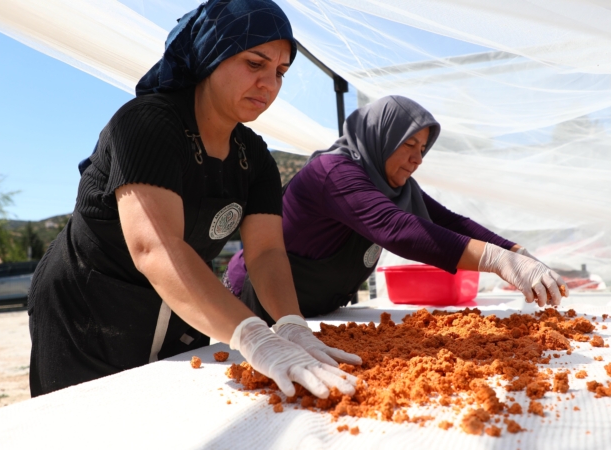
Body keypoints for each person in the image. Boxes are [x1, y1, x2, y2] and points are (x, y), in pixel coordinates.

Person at [28, 0, 360, 399]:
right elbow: (155, 247)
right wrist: (254, 335)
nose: (269, 84)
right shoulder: (146, 124)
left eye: (280, 73)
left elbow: (268, 252)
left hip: (182, 309)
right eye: (255, 64)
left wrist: (290, 324)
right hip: (89, 314)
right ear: (211, 54)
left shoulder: (253, 157)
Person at [226, 95, 568, 323]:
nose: (417, 158)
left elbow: (450, 221)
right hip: (256, 305)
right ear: (381, 136)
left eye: (423, 148)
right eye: (408, 144)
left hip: (313, 311)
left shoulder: (393, 187)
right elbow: (396, 228)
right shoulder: (333, 172)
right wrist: (498, 263)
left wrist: (518, 253)